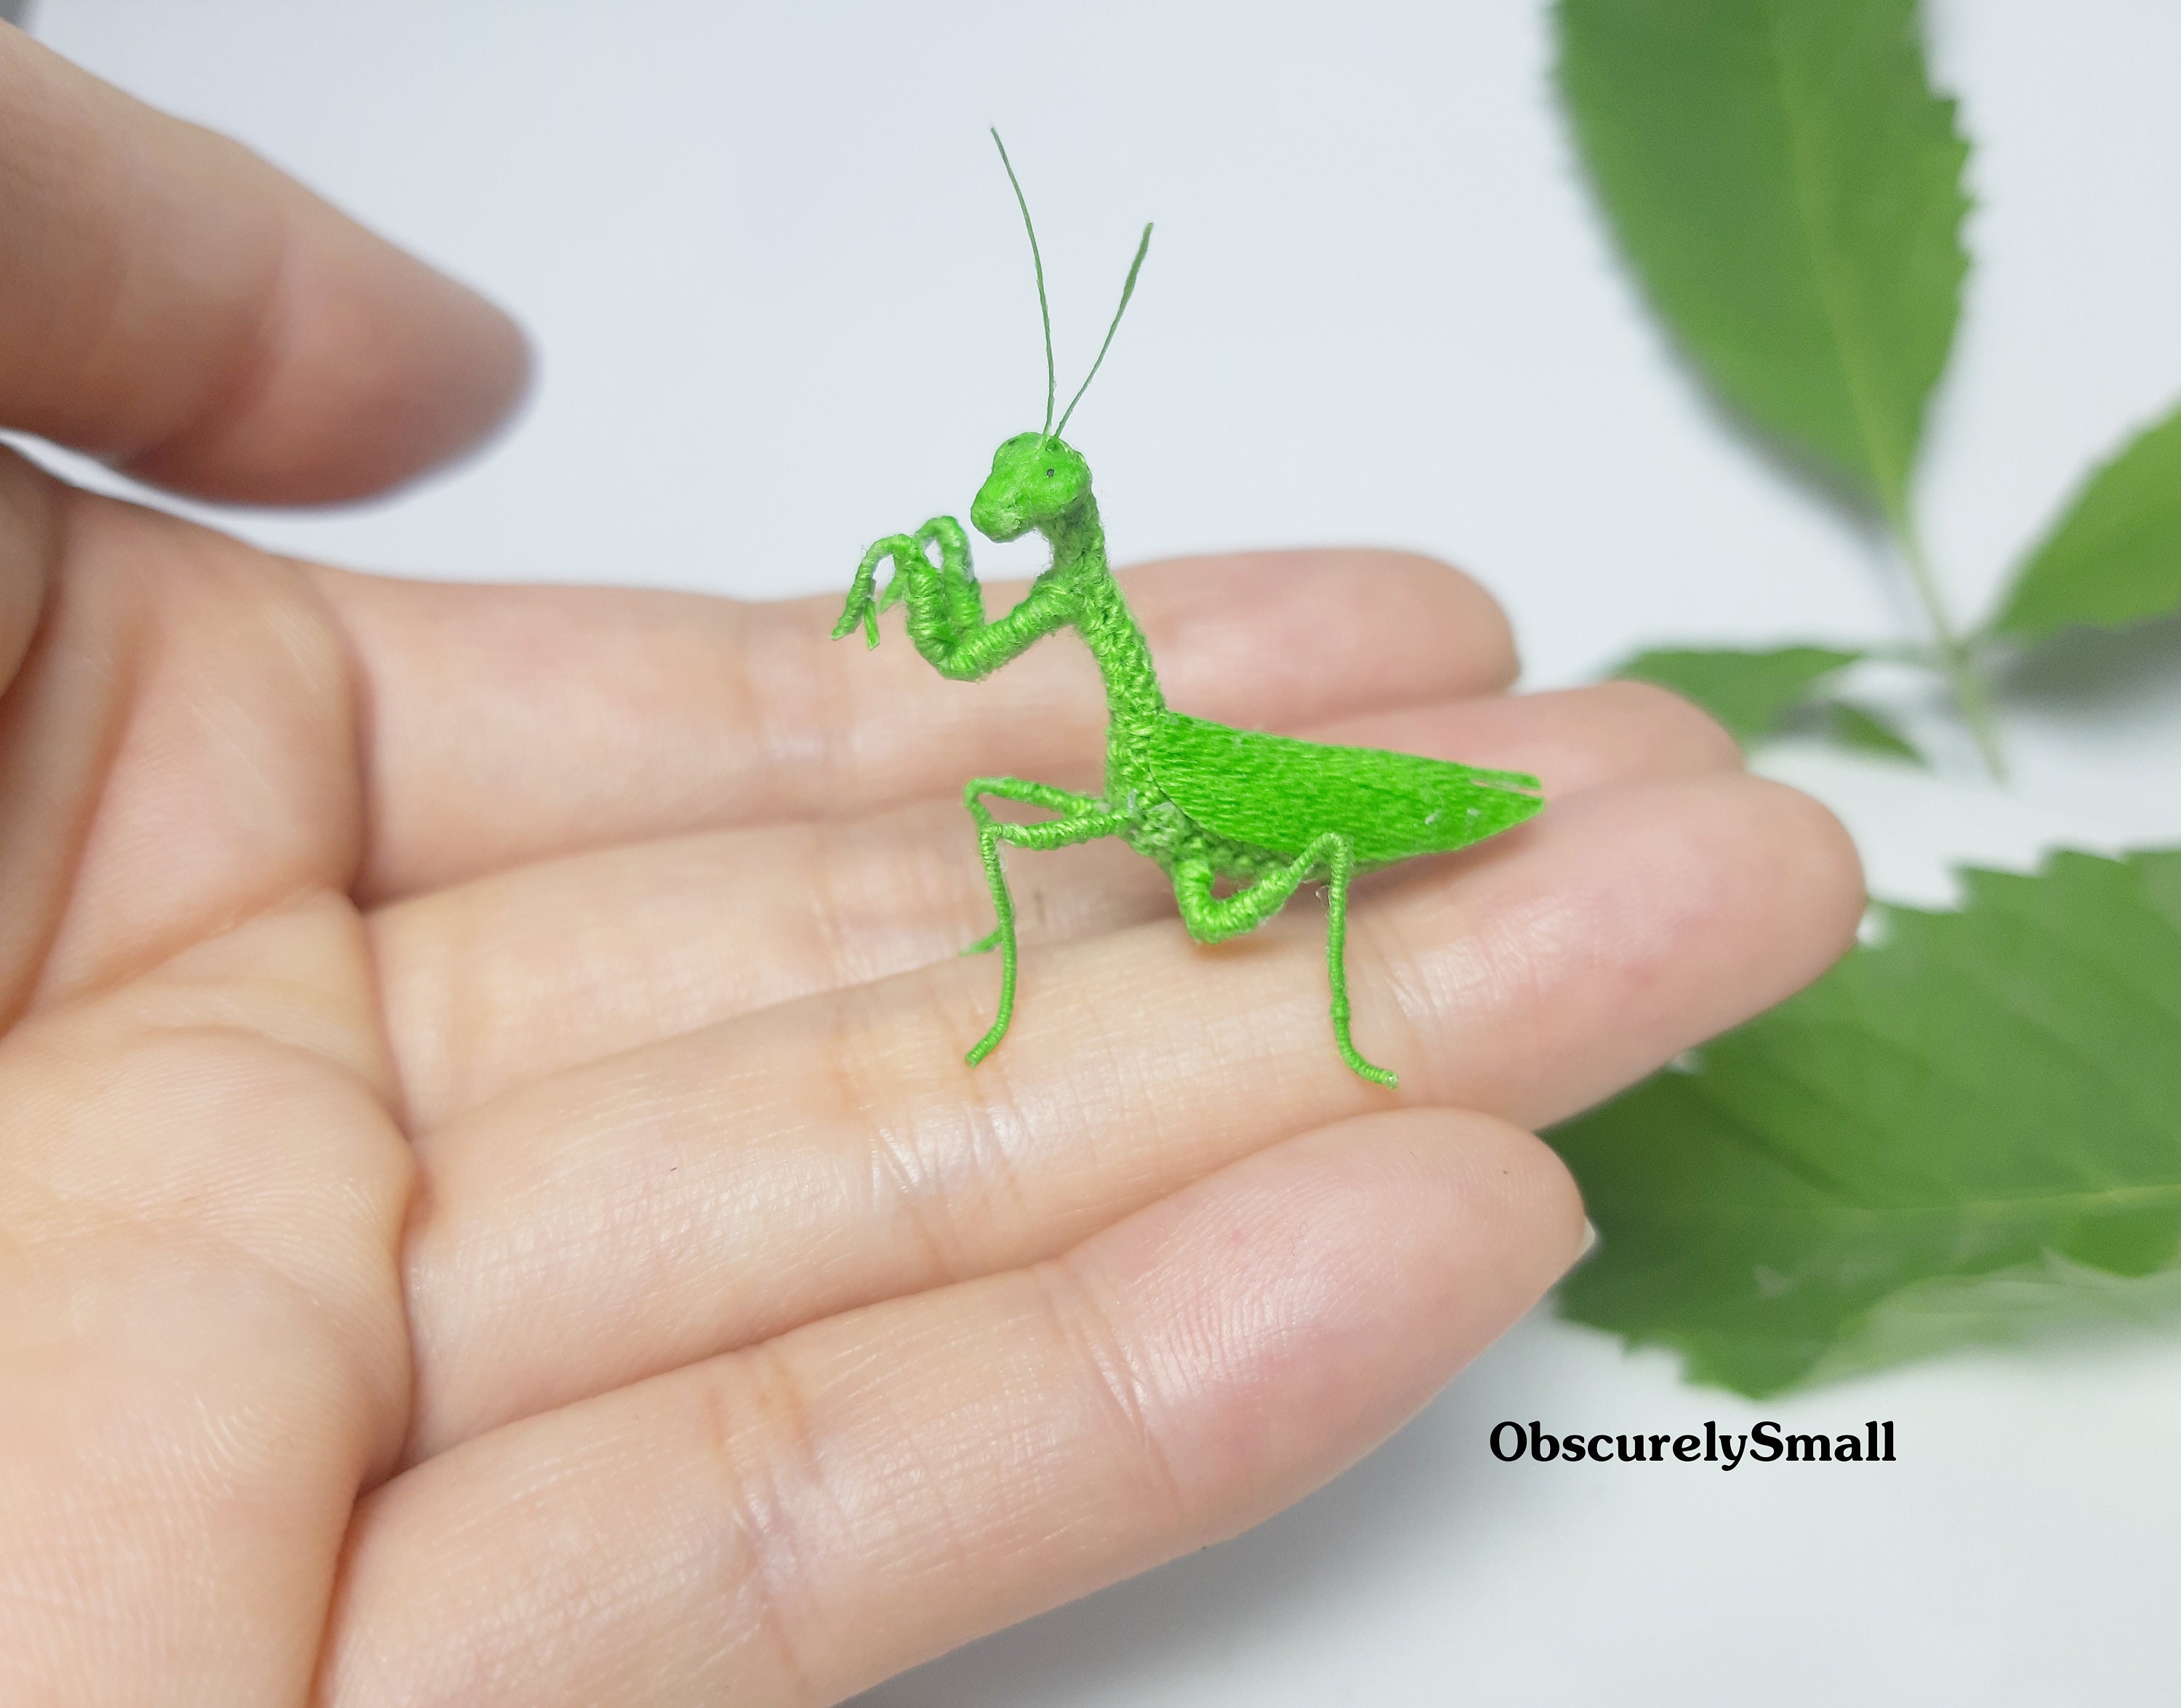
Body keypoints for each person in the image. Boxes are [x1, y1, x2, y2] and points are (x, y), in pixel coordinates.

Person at [0, 24, 1860, 1707]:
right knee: (1032, 821)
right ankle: (1099, 975)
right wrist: (904, 572)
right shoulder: (1061, 618)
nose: (1013, 511)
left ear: (1074, 515)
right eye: (1016, 495)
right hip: (1182, 777)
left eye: (1035, 502)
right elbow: (959, 657)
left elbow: (1030, 672)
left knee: (1244, 880)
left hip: (1319, 797)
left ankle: (1359, 1023)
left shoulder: (1127, 663)